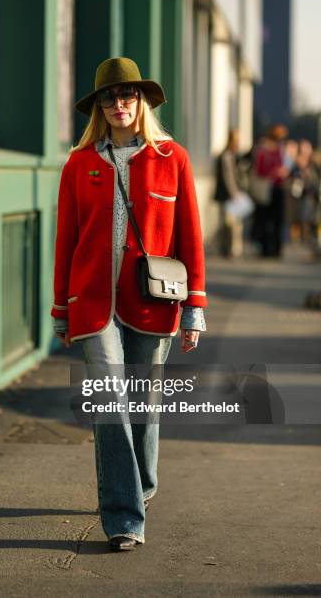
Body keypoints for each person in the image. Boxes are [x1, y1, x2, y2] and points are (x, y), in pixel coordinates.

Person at [50, 57, 208, 551]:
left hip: (153, 303)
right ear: (98, 107)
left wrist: (195, 308)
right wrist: (61, 309)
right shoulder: (79, 164)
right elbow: (66, 241)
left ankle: (139, 486)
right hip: (93, 305)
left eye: (128, 96)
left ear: (141, 103)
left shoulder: (172, 158)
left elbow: (191, 237)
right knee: (111, 403)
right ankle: (123, 516)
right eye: (109, 98)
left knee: (143, 407)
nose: (119, 105)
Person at [250, 125, 289, 257]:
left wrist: (282, 172)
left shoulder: (280, 151)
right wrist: (273, 173)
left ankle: (276, 249)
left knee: (278, 220)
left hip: (278, 188)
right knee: (266, 220)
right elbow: (259, 170)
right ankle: (266, 249)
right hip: (267, 188)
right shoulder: (263, 151)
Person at [214, 128, 244, 257]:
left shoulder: (232, 155)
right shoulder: (226, 155)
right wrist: (234, 193)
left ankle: (229, 247)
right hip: (228, 195)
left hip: (230, 195)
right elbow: (228, 177)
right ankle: (230, 248)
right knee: (230, 224)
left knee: (231, 223)